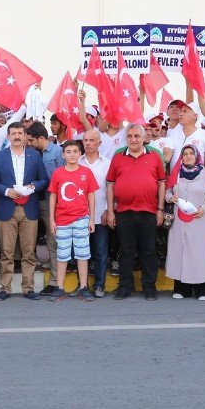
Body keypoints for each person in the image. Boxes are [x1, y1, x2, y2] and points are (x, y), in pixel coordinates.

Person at [0, 121, 49, 300]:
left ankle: (28, 288)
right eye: (13, 133)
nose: (16, 136)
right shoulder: (0, 157)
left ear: (24, 136)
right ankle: (4, 288)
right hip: (8, 207)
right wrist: (6, 191)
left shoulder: (34, 156)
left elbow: (44, 179)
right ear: (8, 136)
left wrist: (32, 186)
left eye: (19, 133)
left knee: (29, 251)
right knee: (6, 251)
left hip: (29, 208)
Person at [105, 124, 166, 301]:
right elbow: (110, 185)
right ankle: (125, 287)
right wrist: (110, 211)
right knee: (126, 251)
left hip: (148, 211)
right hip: (124, 211)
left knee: (149, 251)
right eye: (130, 136)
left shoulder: (154, 156)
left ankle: (149, 287)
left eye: (137, 136)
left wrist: (160, 209)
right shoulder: (118, 157)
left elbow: (162, 182)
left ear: (143, 137)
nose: (133, 140)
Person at [165, 145, 205, 300]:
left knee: (200, 253)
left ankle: (203, 290)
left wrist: (204, 208)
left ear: (197, 156)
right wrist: (170, 198)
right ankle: (182, 288)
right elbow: (167, 192)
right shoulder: (176, 174)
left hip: (200, 220)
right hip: (180, 222)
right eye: (185, 154)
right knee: (181, 252)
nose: (188, 156)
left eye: (191, 154)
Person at [47, 140, 98, 302]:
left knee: (82, 255)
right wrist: (52, 219)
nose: (72, 155)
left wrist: (91, 219)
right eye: (68, 152)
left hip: (81, 219)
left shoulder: (86, 172)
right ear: (63, 154)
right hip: (62, 220)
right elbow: (53, 196)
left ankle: (83, 287)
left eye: (75, 151)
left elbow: (91, 195)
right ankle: (60, 288)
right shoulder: (58, 173)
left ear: (80, 154)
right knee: (62, 255)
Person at [27, 122, 64, 295]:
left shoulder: (58, 153)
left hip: (52, 203)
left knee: (53, 239)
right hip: (34, 201)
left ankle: (56, 282)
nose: (29, 144)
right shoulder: (32, 154)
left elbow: (63, 179)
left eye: (31, 140)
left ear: (41, 138)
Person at [79, 128, 112, 298]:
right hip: (79, 216)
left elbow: (111, 189)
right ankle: (82, 285)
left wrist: (108, 210)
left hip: (100, 214)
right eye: (85, 140)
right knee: (81, 252)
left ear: (99, 143)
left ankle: (99, 285)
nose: (88, 143)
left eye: (92, 140)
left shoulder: (107, 163)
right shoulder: (76, 162)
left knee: (100, 252)